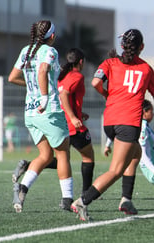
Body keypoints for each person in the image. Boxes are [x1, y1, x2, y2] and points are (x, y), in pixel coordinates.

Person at [71, 29, 154, 221]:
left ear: (122, 46)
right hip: (128, 123)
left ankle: (126, 200)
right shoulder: (146, 69)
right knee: (115, 171)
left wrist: (107, 95)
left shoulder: (110, 63)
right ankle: (82, 201)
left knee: (136, 153)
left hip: (110, 121)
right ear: (142, 47)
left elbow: (96, 82)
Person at [11, 48, 96, 211]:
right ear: (81, 62)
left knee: (49, 156)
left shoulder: (60, 75)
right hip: (65, 122)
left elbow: (59, 92)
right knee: (84, 157)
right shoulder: (75, 75)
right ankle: (81, 195)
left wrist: (77, 113)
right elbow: (63, 95)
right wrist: (72, 117)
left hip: (38, 115)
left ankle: (25, 178)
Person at [8, 20, 73, 213]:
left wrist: (34, 89)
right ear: (51, 36)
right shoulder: (50, 51)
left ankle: (22, 188)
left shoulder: (25, 51)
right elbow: (43, 70)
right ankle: (67, 200)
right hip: (49, 110)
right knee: (63, 155)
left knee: (45, 155)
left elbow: (12, 77)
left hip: (30, 111)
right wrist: (44, 97)